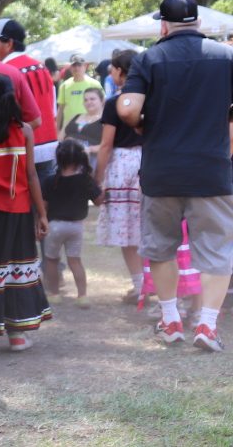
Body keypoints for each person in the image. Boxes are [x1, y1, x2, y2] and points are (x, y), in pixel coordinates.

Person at [117, 0, 233, 352]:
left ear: (164, 26)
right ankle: (207, 325)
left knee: (161, 247)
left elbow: (128, 110)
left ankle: (170, 321)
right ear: (198, 21)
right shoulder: (225, 57)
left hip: (162, 170)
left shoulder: (148, 58)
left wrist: (141, 123)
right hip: (211, 170)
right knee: (218, 249)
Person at [0, 74, 51, 357]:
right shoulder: (24, 131)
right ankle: (17, 336)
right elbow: (31, 175)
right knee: (16, 269)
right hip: (18, 212)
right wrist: (42, 214)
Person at [94, 49, 146, 304]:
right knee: (148, 228)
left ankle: (140, 286)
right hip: (148, 162)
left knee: (128, 233)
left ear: (120, 71)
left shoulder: (114, 102)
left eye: (113, 69)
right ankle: (153, 283)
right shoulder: (150, 99)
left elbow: (106, 144)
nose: (111, 73)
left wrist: (97, 179)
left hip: (121, 166)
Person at [0, 19, 58, 179]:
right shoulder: (42, 67)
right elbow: (52, 109)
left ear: (9, 43)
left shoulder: (7, 71)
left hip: (23, 147)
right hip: (49, 145)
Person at [39, 140, 101, 308]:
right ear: (81, 158)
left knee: (51, 260)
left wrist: (40, 222)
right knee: (75, 261)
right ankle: (82, 296)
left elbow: (43, 206)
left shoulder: (50, 181)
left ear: (58, 158)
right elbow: (98, 201)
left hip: (54, 226)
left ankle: (54, 294)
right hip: (76, 227)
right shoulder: (85, 180)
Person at [57, 55, 103, 134]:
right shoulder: (64, 85)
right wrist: (57, 129)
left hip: (90, 126)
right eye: (74, 65)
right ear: (70, 67)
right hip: (69, 127)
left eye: (79, 65)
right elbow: (60, 109)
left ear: (85, 66)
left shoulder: (94, 84)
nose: (77, 68)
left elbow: (103, 104)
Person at [61, 87, 104, 163]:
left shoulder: (106, 120)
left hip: (90, 159)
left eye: (92, 99)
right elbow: (61, 136)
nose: (88, 102)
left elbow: (108, 145)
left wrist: (89, 149)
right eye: (85, 100)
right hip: (67, 157)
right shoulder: (75, 116)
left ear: (102, 101)